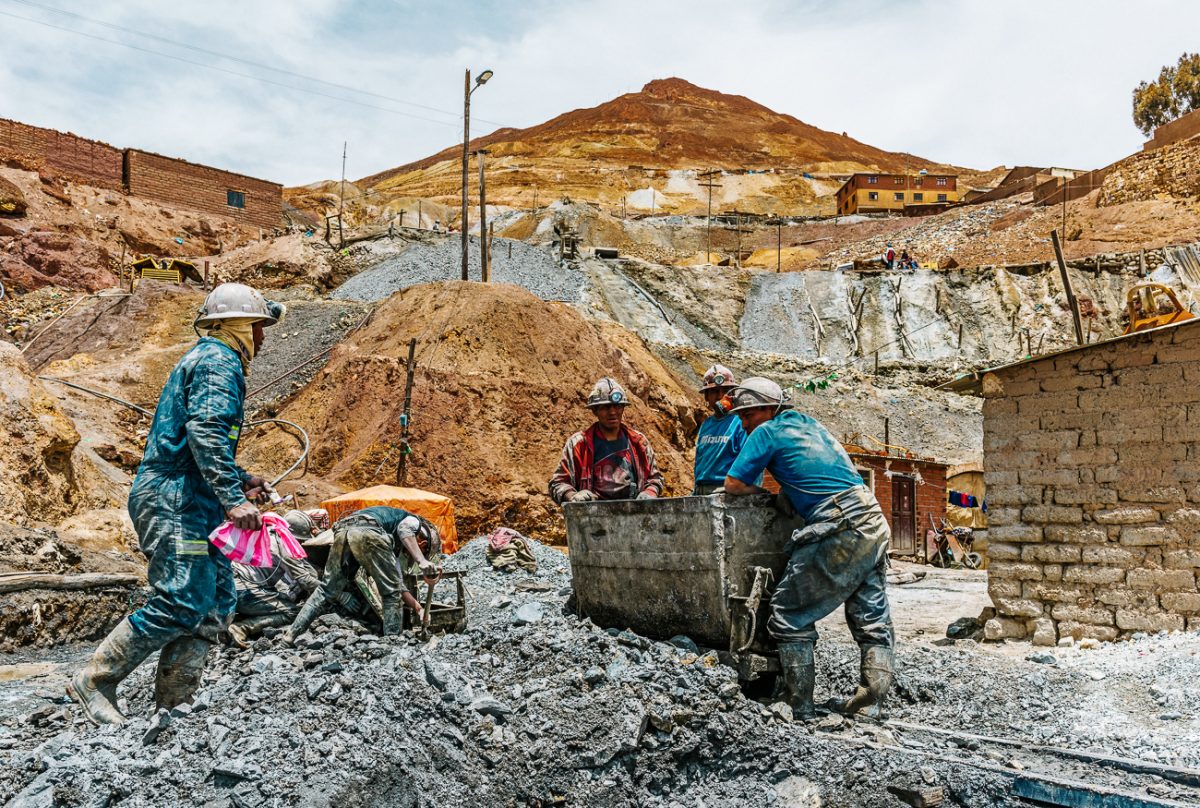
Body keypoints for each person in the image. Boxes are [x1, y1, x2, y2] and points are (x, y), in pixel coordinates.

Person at [67, 283, 284, 725]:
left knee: (214, 603)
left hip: (192, 501)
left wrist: (242, 480)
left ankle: (175, 705)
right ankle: (96, 678)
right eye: (260, 327)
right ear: (241, 325)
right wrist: (233, 498)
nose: (263, 339)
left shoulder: (210, 361)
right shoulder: (219, 362)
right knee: (183, 597)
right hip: (176, 503)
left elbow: (193, 440)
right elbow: (204, 432)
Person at [722, 377, 894, 721]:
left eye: (747, 415)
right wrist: (790, 494)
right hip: (871, 519)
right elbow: (817, 473)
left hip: (839, 525)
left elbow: (735, 484)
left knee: (788, 613)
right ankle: (870, 703)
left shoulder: (766, 432)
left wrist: (766, 497)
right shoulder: (809, 424)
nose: (743, 423)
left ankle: (796, 704)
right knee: (871, 618)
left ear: (767, 409)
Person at [282, 506, 441, 642]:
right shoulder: (413, 521)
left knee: (326, 590)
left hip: (343, 530)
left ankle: (290, 636)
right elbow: (405, 529)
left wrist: (418, 608)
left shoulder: (391, 539)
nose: (409, 554)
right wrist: (421, 561)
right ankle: (394, 644)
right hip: (368, 530)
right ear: (422, 543)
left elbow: (398, 584)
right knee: (390, 596)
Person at [549, 377, 663, 505]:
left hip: (633, 517)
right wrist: (572, 496)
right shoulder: (579, 445)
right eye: (605, 407)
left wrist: (650, 492)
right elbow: (557, 483)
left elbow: (655, 479)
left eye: (617, 406)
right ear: (594, 410)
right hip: (592, 520)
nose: (613, 412)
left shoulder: (638, 442)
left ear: (623, 408)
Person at [226, 509, 325, 648]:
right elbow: (306, 580)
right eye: (301, 540)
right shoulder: (284, 544)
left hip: (230, 587)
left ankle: (233, 621)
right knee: (292, 612)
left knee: (277, 599)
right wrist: (336, 594)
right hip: (244, 591)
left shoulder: (267, 533)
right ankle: (242, 627)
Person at [692, 364, 747, 495]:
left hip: (725, 492)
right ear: (706, 396)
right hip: (701, 491)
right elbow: (699, 461)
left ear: (733, 394)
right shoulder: (706, 425)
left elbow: (749, 464)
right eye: (714, 391)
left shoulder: (741, 423)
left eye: (726, 391)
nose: (720, 396)